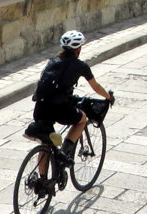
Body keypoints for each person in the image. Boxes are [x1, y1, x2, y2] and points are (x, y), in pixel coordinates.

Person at [26, 30, 113, 176]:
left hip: (40, 107)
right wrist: (108, 97)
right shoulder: (81, 66)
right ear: (78, 49)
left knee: (46, 142)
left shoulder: (52, 62)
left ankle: (42, 180)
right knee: (82, 119)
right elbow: (96, 87)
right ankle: (66, 150)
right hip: (60, 109)